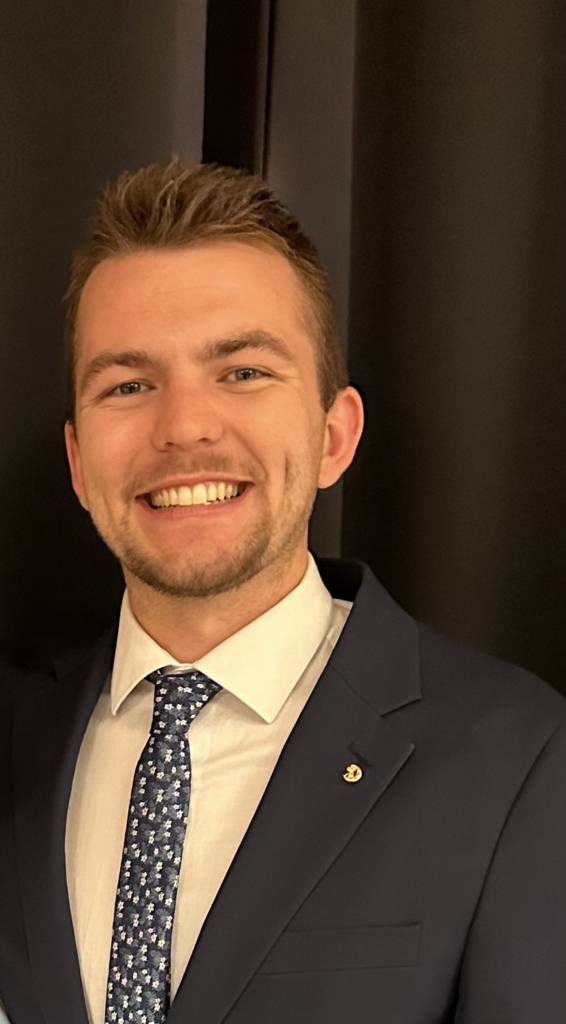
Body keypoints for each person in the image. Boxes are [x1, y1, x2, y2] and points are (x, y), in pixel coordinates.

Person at [0, 161, 563, 1024]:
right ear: (79, 464)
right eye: (129, 385)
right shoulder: (15, 736)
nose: (185, 426)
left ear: (335, 436)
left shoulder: (519, 760)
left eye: (243, 372)